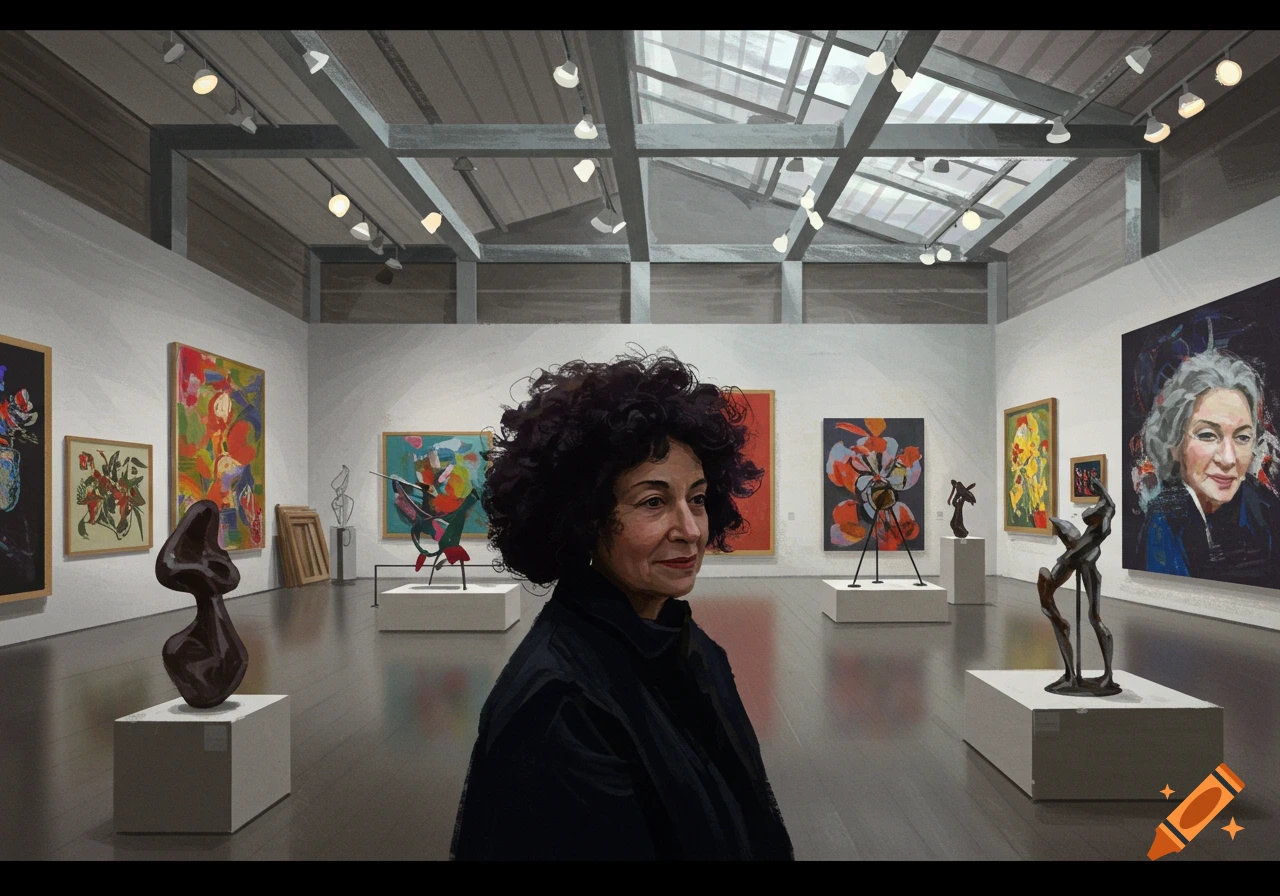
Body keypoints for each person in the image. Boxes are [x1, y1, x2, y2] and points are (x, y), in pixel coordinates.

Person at [450, 351, 794, 861]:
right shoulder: (560, 704)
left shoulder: (694, 651)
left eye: (697, 499)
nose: (690, 530)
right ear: (583, 520)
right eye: (653, 502)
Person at [1133, 344, 1280, 586]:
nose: (1229, 459)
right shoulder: (1162, 524)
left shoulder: (1267, 509)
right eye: (1207, 435)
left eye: (1242, 437)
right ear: (1174, 444)